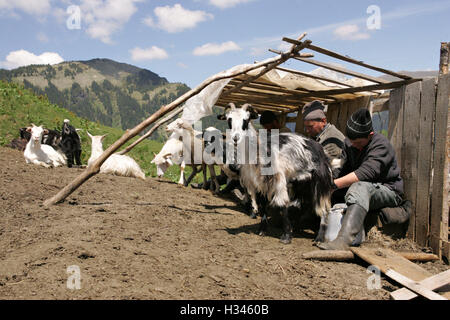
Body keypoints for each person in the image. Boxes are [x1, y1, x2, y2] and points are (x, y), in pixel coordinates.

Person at [318, 108, 410, 250]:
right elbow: (341, 168)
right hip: (363, 190)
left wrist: (334, 185)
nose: (353, 145)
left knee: (359, 186)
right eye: (351, 141)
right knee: (333, 190)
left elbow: (366, 173)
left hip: (388, 191)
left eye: (358, 142)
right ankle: (323, 231)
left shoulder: (381, 145)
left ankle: (344, 241)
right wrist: (328, 182)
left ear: (370, 135)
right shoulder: (350, 144)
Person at [302, 100, 345, 165]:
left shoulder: (333, 140)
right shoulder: (317, 135)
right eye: (306, 127)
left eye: (310, 126)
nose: (307, 130)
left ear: (324, 121)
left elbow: (330, 168)